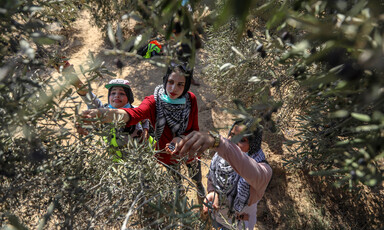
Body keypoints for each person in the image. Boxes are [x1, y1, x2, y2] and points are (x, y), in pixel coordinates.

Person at [79, 61, 205, 198]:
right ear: (165, 80)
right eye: (170, 82)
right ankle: (180, 193)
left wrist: (181, 139)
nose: (173, 88)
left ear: (186, 85)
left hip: (189, 147)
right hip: (166, 152)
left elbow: (194, 128)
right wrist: (103, 114)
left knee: (196, 176)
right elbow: (134, 114)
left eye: (180, 84)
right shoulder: (153, 101)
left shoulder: (190, 99)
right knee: (176, 178)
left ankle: (199, 187)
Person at [174, 119, 273, 229]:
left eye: (242, 140)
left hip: (238, 225)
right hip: (217, 217)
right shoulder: (220, 157)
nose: (233, 141)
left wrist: (219, 143)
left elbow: (245, 166)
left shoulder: (264, 171)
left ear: (253, 144)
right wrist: (213, 192)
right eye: (231, 135)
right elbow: (212, 178)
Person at [56, 58, 150, 161]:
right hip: (116, 160)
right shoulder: (102, 110)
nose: (116, 96)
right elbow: (87, 94)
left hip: (141, 158)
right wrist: (73, 78)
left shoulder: (135, 109)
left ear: (129, 97)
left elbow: (146, 119)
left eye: (122, 93)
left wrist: (145, 131)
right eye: (113, 93)